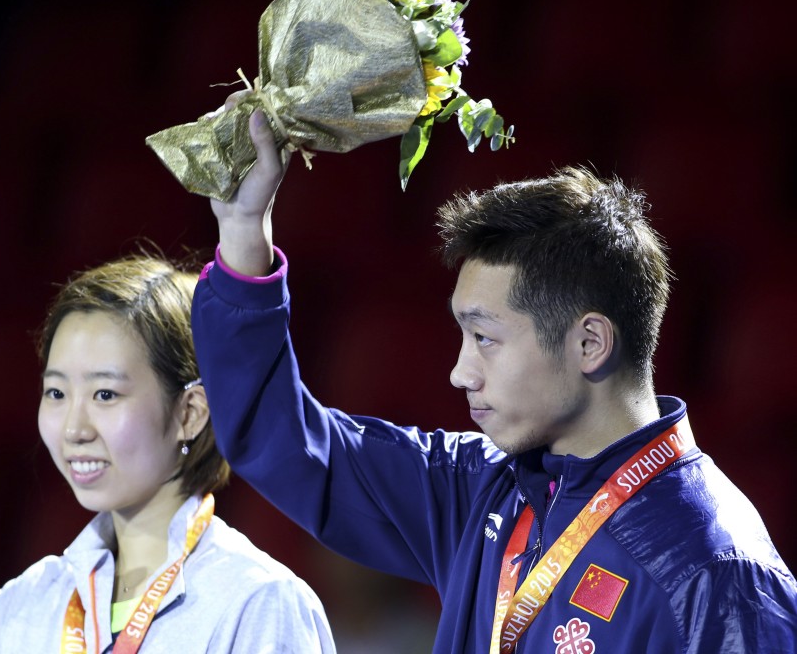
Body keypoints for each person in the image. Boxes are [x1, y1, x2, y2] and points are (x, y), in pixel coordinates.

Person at [188, 100, 797, 653]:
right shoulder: (483, 489)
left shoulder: (713, 568)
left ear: (589, 343)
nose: (458, 372)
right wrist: (244, 232)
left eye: (484, 338)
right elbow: (283, 436)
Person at [0, 253, 336, 653]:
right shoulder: (38, 603)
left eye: (105, 394)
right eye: (56, 392)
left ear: (190, 411)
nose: (74, 428)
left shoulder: (257, 603)